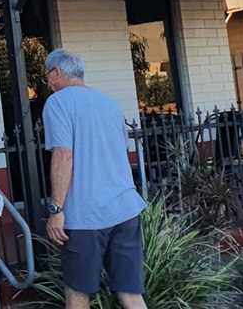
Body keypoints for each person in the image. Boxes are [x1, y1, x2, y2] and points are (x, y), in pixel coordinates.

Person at [42, 48, 147, 309]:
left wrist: (56, 209)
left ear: (56, 73)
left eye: (47, 76)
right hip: (125, 209)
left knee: (77, 294)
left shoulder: (57, 103)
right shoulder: (109, 103)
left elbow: (64, 155)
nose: (47, 82)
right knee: (131, 294)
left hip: (85, 216)